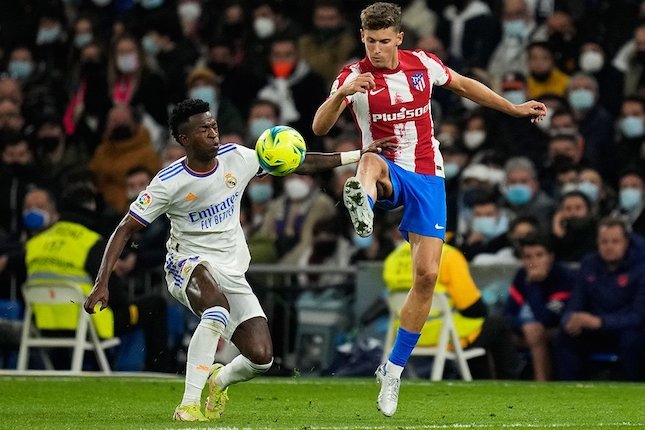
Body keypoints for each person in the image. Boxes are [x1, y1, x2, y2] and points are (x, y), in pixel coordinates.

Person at [83, 98, 394, 421]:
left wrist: (358, 154)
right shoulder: (168, 182)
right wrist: (102, 282)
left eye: (214, 126)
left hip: (231, 268)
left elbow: (298, 163)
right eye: (204, 129)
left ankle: (220, 380)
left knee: (261, 358)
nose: (214, 133)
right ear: (185, 139)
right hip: (186, 264)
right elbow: (125, 228)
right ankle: (188, 404)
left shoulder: (238, 158)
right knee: (216, 312)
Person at [311, 2, 546, 417]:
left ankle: (393, 369)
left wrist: (512, 108)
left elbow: (464, 85)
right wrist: (342, 94)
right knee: (368, 159)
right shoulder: (352, 76)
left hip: (427, 175)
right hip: (385, 169)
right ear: (362, 38)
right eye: (371, 42)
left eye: (385, 41)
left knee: (427, 276)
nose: (378, 49)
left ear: (399, 37)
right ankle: (362, 206)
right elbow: (319, 128)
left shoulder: (422, 65)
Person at [555, 217, 645, 381]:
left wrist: (601, 322)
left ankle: (633, 391)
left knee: (633, 339)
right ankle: (567, 392)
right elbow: (576, 300)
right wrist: (570, 319)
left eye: (615, 241)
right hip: (595, 330)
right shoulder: (589, 263)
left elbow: (639, 316)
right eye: (604, 242)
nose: (609, 246)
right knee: (566, 336)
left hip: (626, 330)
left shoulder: (641, 268)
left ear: (626, 242)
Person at [504, 236, 575, 381]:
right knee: (501, 334)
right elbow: (507, 314)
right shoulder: (521, 275)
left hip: (560, 329)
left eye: (539, 255)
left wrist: (534, 285)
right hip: (526, 330)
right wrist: (523, 325)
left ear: (550, 257)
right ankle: (500, 385)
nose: (533, 262)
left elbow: (546, 318)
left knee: (536, 332)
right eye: (528, 257)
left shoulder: (563, 277)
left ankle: (541, 385)